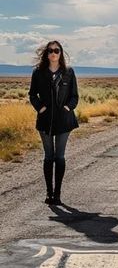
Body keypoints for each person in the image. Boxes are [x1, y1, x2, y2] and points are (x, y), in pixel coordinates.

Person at [28, 41, 79, 205]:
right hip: (45, 120)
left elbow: (74, 96)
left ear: (61, 53)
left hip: (64, 120)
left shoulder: (68, 72)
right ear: (46, 53)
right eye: (50, 50)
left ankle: (58, 194)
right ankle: (49, 193)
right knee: (49, 156)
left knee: (60, 156)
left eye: (56, 50)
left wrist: (67, 108)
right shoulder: (38, 72)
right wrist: (39, 108)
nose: (53, 53)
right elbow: (32, 94)